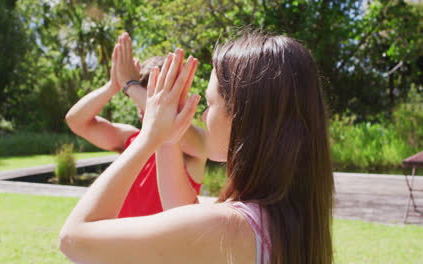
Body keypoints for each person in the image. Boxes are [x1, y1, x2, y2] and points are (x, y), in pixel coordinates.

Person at [60, 32, 334, 264]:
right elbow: (182, 211)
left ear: (241, 116)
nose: (203, 116)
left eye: (209, 104)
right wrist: (166, 140)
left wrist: (148, 138)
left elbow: (73, 238)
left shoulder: (227, 226)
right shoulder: (280, 218)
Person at [65, 32, 207, 217]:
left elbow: (167, 121)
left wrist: (130, 85)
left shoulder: (194, 144)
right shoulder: (130, 139)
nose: (143, 109)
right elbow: (76, 121)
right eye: (142, 100)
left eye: (151, 99)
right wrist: (113, 86)